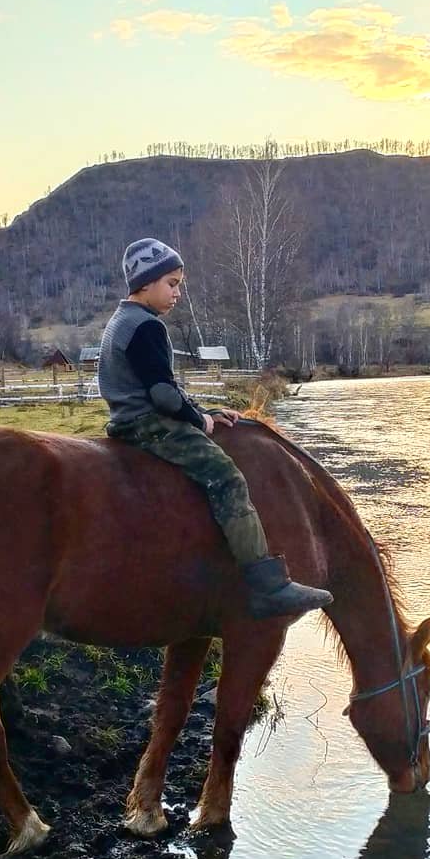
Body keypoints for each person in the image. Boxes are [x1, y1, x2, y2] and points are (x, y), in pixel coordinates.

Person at [97, 237, 333, 620]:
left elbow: (158, 385)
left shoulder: (119, 322)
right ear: (145, 283)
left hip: (125, 421)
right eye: (172, 284)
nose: (177, 294)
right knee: (227, 477)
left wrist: (206, 410)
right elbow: (163, 395)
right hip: (150, 425)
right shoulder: (146, 326)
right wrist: (200, 421)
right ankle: (266, 583)